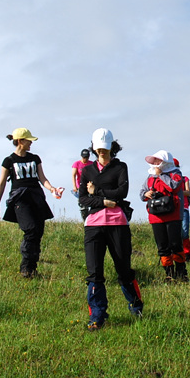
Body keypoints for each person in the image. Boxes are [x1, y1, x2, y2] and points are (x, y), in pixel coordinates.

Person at [78, 128, 142, 331]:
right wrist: (104, 200)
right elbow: (82, 199)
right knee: (94, 272)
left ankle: (136, 306)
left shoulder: (121, 167)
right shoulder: (87, 170)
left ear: (111, 147)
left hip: (118, 224)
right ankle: (97, 315)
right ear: (94, 147)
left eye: (105, 148)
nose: (102, 152)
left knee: (123, 269)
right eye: (99, 149)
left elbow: (122, 192)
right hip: (93, 225)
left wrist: (96, 191)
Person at [0, 128, 64, 278]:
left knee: (38, 232)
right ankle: (25, 267)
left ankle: (32, 268)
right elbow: (1, 183)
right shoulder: (9, 161)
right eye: (28, 140)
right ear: (20, 141)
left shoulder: (35, 158)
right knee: (30, 230)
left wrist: (52, 189)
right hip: (20, 199)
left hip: (36, 197)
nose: (31, 143)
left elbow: (42, 178)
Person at [139, 150, 188, 283]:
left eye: (158, 161)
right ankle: (169, 274)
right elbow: (141, 193)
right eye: (154, 161)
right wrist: (146, 194)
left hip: (173, 215)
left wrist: (161, 175)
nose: (155, 164)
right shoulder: (150, 176)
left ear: (166, 161)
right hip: (156, 216)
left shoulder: (175, 173)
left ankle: (181, 273)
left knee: (175, 244)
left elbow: (174, 186)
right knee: (162, 246)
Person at [174, 158, 190, 261]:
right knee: (177, 232)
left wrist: (176, 190)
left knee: (185, 232)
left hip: (184, 208)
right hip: (173, 208)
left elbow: (188, 192)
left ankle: (187, 254)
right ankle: (179, 253)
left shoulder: (184, 179)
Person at [72, 149, 92, 221]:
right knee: (83, 205)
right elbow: (73, 175)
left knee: (92, 202)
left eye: (86, 157)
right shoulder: (76, 164)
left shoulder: (92, 164)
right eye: (84, 157)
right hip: (80, 186)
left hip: (90, 186)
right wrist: (74, 186)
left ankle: (91, 219)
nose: (85, 159)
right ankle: (85, 220)